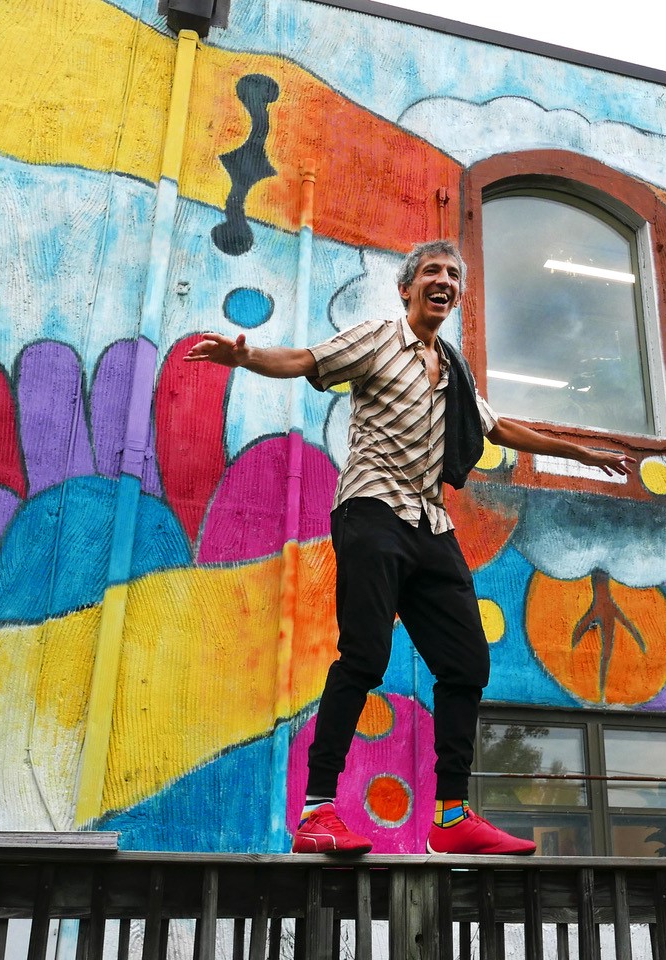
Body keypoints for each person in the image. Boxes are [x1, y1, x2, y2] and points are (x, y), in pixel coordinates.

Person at [186, 240, 634, 855]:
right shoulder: (377, 339)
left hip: (431, 525)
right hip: (372, 511)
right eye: (431, 272)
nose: (443, 280)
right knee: (364, 657)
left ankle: (451, 818)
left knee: (466, 664)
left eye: (452, 274)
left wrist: (581, 453)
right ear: (407, 289)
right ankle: (318, 812)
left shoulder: (453, 372)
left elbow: (499, 426)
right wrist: (247, 357)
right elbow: (306, 360)